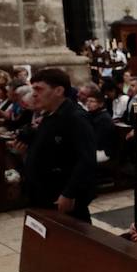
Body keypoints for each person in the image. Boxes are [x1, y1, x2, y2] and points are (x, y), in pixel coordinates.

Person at [22, 68, 97, 222]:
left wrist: (69, 193)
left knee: (72, 238)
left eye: (39, 89)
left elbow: (86, 160)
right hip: (42, 191)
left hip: (60, 194)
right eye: (33, 89)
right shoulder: (49, 114)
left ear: (58, 90)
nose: (34, 94)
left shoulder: (75, 118)